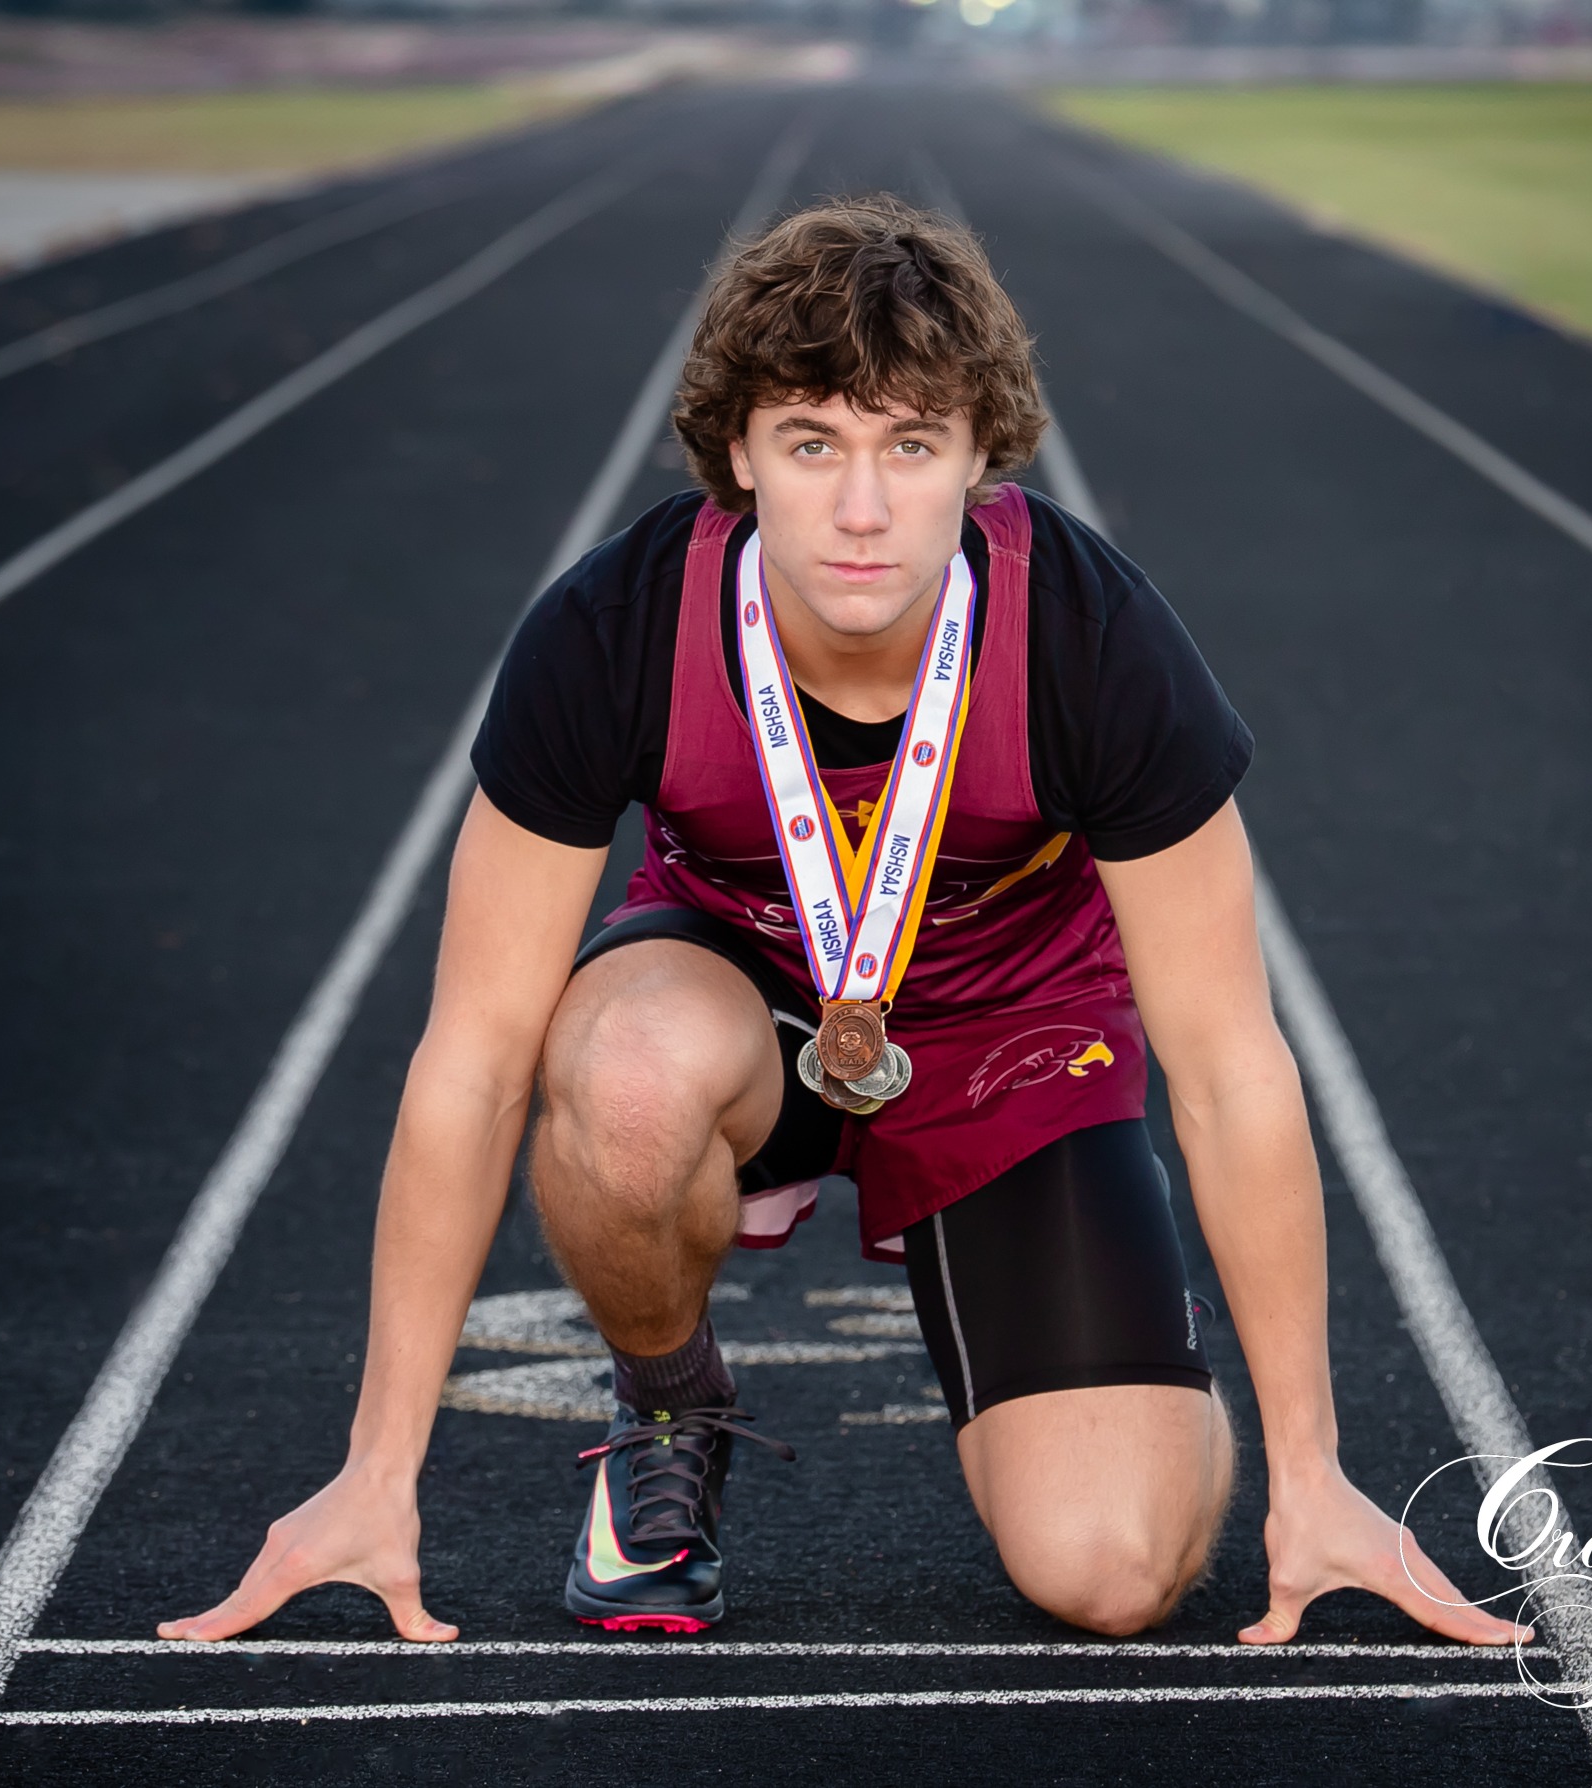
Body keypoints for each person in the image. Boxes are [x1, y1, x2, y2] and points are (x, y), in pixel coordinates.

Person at [162, 197, 1522, 1646]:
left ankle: (1141, 1387)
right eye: (813, 444)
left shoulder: (1095, 643)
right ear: (738, 455)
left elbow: (1234, 1061)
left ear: (983, 459)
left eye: (910, 447)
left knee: (1116, 1575)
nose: (862, 510)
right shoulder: (613, 631)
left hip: (1018, 1029)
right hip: (739, 983)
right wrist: (378, 1469)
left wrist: (1310, 1471)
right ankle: (669, 1403)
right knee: (617, 1083)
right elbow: (472, 1060)